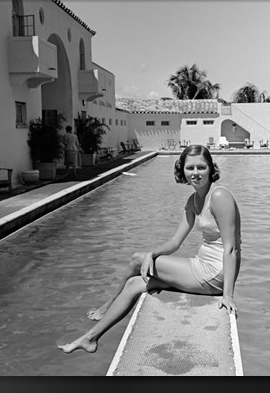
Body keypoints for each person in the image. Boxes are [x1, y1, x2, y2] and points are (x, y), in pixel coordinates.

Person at [58, 144, 242, 354]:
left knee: (137, 260)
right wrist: (152, 254)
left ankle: (107, 304)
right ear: (182, 170)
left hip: (216, 272)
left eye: (201, 167)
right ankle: (90, 338)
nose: (196, 173)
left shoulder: (219, 196)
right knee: (135, 283)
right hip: (200, 264)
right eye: (190, 168)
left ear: (211, 168)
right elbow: (175, 242)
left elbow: (232, 248)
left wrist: (228, 295)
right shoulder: (193, 201)